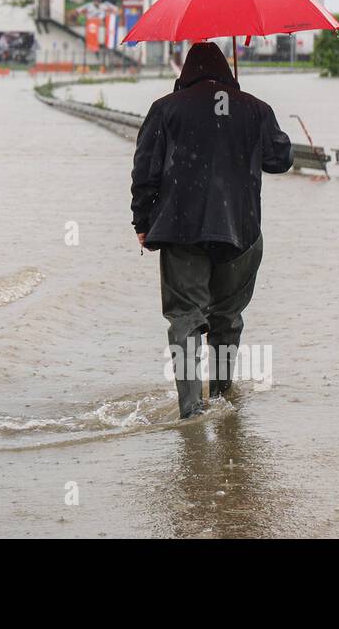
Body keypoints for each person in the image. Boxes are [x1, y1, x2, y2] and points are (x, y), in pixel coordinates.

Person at [130, 42, 293, 418]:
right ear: (226, 70)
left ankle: (191, 410)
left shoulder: (165, 110)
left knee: (185, 319)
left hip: (181, 231)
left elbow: (144, 172)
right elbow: (281, 159)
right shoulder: (255, 108)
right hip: (241, 231)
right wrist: (251, 116)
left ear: (185, 72)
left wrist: (142, 222)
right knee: (227, 318)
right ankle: (222, 395)